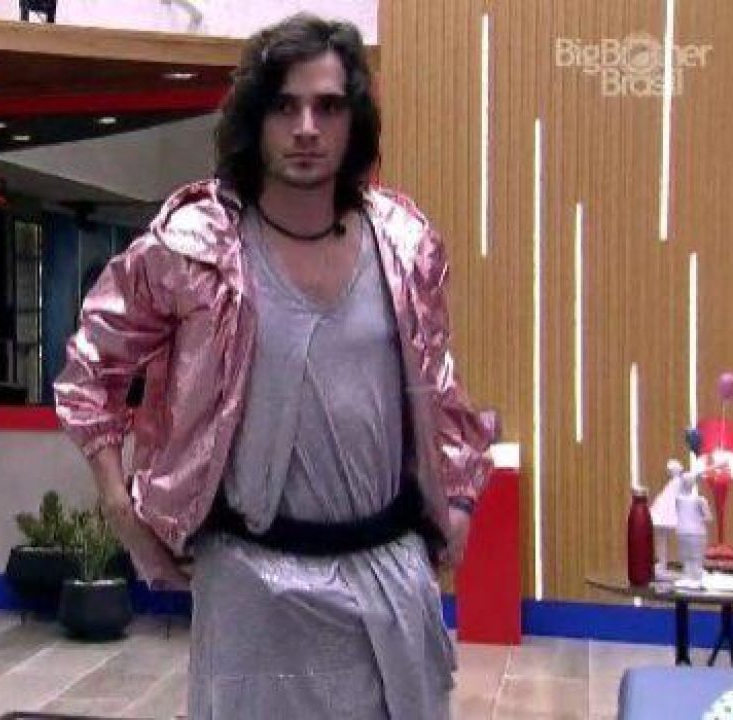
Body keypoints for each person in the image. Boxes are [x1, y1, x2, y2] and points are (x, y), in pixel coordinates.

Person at [53, 13, 493, 719]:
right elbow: (91, 368)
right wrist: (119, 506)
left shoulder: (405, 245)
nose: (307, 128)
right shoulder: (194, 246)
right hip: (251, 585)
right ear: (255, 119)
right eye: (285, 107)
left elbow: (439, 387)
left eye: (328, 106)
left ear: (355, 119)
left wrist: (461, 502)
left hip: (389, 577)